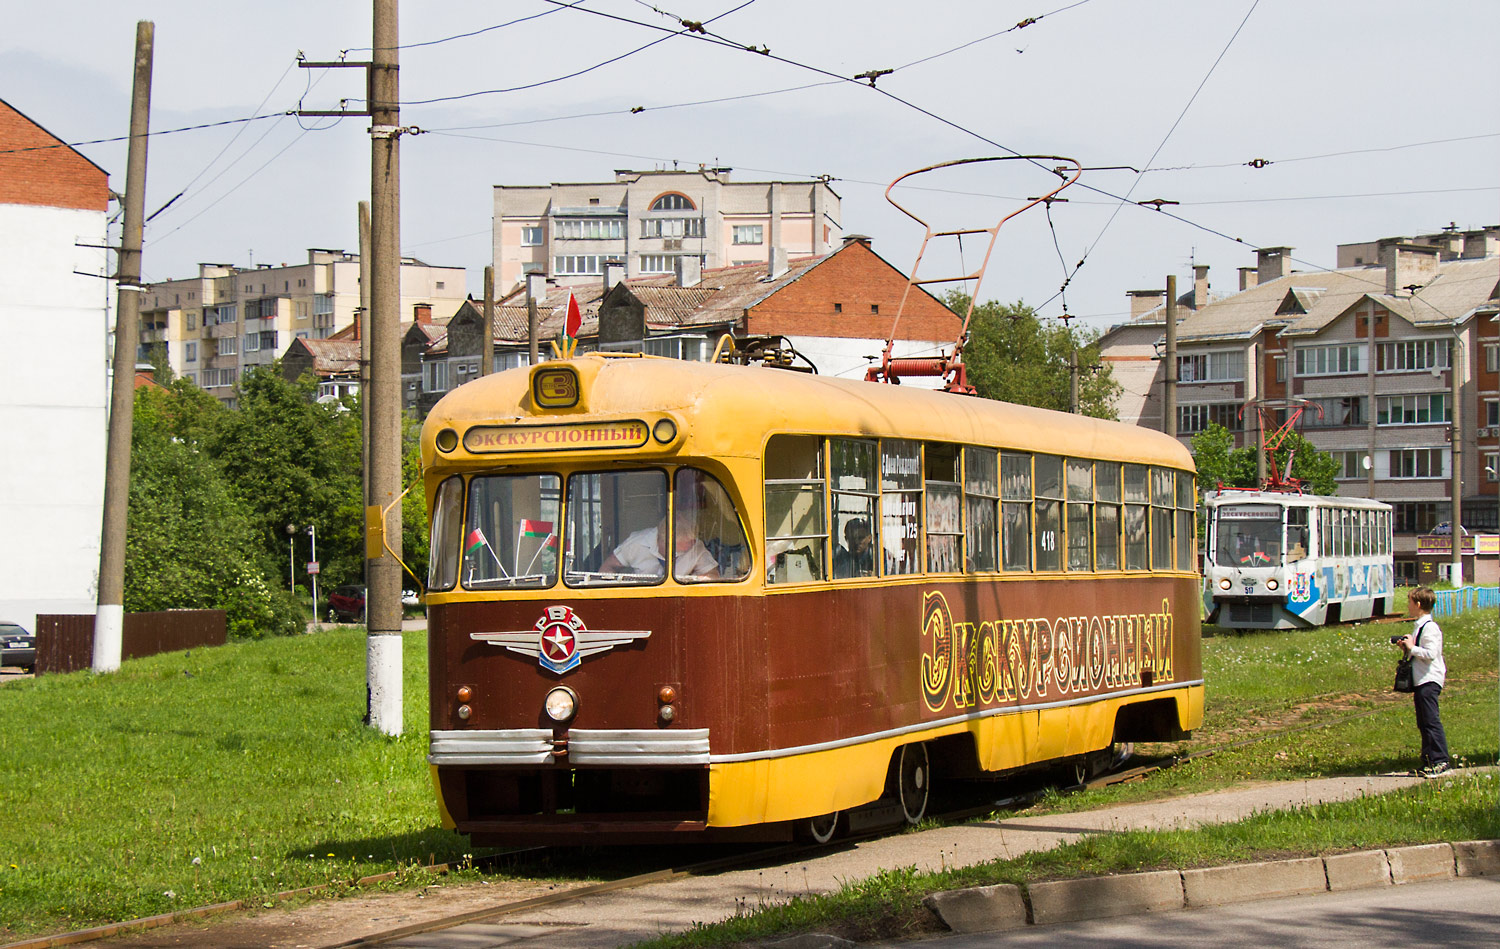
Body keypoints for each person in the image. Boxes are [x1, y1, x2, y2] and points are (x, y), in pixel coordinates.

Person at [1395, 586, 1450, 777]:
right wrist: (1408, 647)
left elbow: (1431, 654)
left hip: (1429, 679)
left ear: (1418, 604)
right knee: (1423, 722)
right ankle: (1428, 760)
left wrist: (1413, 647)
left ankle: (1440, 760)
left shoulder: (1430, 627)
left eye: (1410, 602)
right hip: (1421, 680)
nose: (1408, 606)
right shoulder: (1420, 625)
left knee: (1431, 721)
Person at [599, 507, 720, 580]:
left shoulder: (696, 546)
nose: (694, 543)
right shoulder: (637, 543)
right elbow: (607, 567)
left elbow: (713, 575)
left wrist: (698, 579)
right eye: (689, 541)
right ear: (668, 541)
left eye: (694, 539)